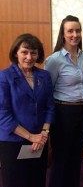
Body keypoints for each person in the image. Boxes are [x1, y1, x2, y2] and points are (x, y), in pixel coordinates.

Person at [0, 33, 55, 187]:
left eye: (33, 52)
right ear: (16, 53)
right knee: (16, 182)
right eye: (24, 52)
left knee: (37, 180)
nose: (29, 57)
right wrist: (31, 137)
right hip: (13, 140)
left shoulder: (44, 76)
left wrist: (44, 133)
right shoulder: (4, 77)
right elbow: (3, 115)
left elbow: (50, 106)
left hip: (39, 140)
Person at [45, 15, 83, 187]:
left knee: (76, 157)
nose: (75, 34)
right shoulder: (54, 60)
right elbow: (46, 92)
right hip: (63, 112)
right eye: (70, 31)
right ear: (63, 34)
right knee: (61, 158)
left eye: (77, 30)